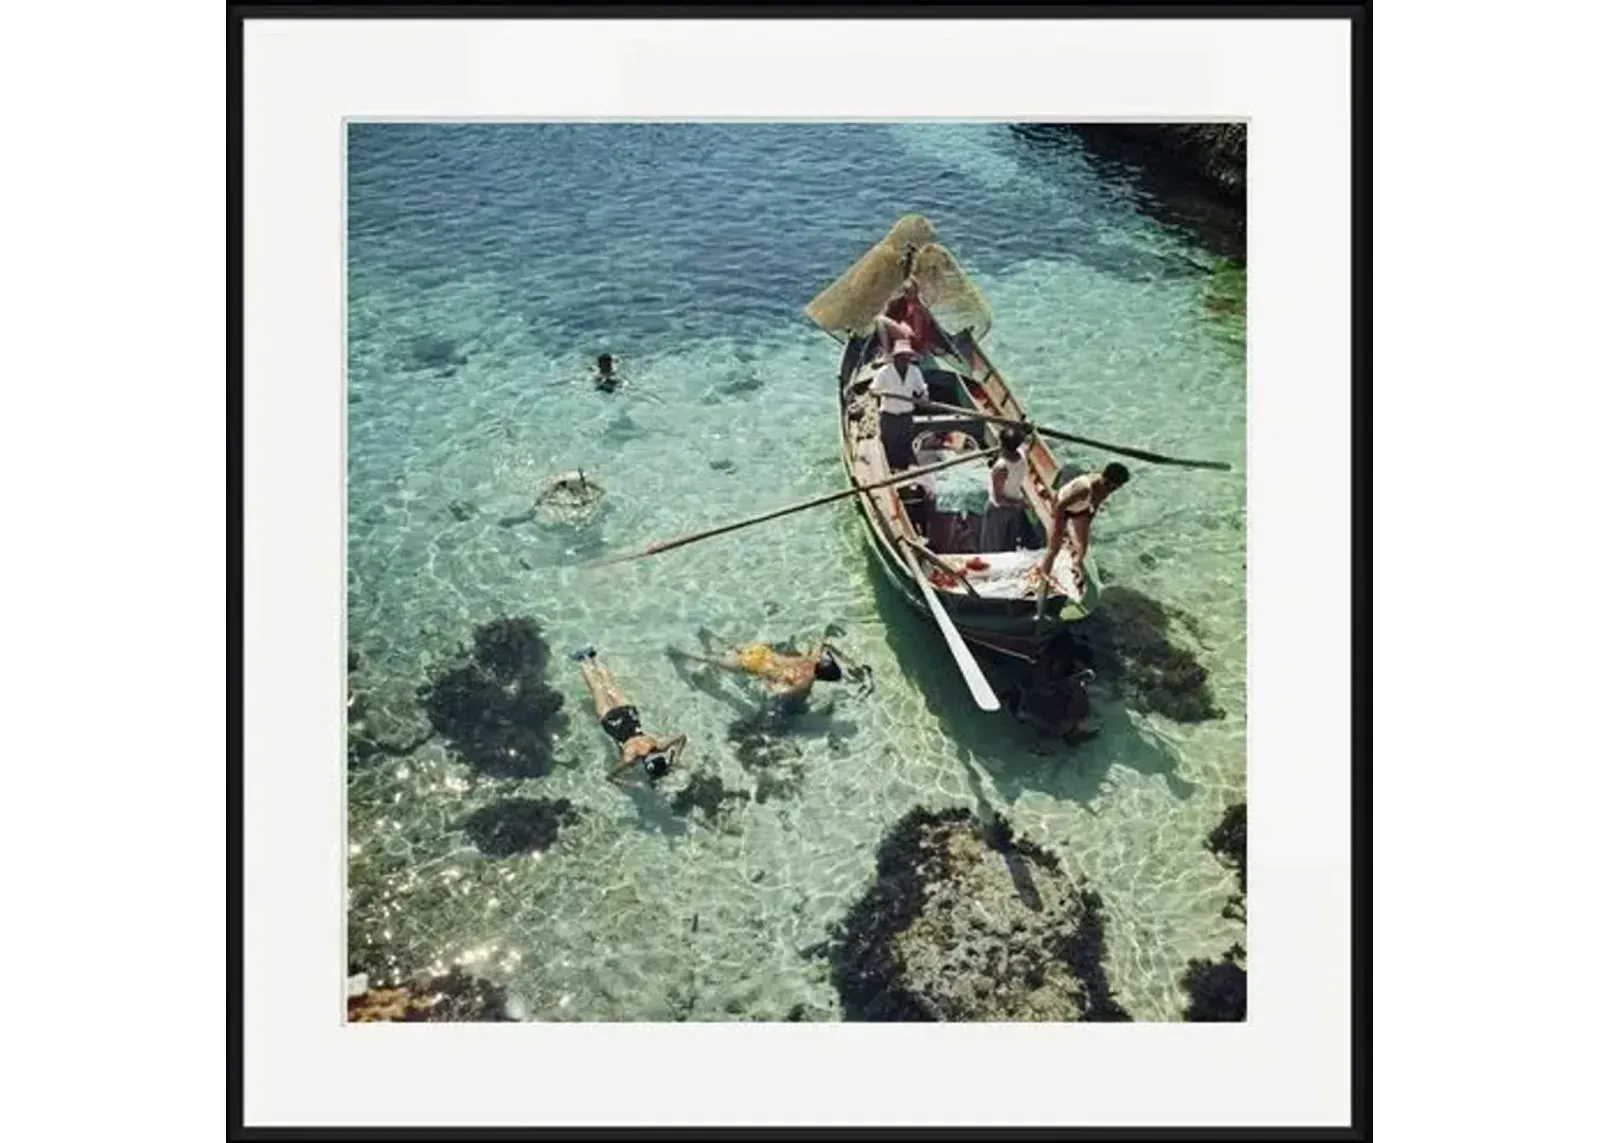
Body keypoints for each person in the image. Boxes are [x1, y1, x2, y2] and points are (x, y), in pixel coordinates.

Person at [568, 647, 687, 784]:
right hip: (611, 721)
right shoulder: (631, 759)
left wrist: (675, 758)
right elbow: (611, 776)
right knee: (597, 689)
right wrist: (631, 783)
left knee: (609, 686)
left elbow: (681, 737)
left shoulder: (659, 745)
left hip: (629, 715)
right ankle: (582, 660)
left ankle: (594, 657)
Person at [670, 634, 848, 712]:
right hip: (752, 666)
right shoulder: (805, 682)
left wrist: (839, 653)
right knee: (711, 659)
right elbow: (780, 691)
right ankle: (678, 653)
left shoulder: (812, 659)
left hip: (760, 651)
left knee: (729, 645)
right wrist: (768, 682)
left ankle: (705, 635)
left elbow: (820, 640)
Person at [1031, 463, 1131, 596]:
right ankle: (1044, 575)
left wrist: (1087, 524)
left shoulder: (1105, 489)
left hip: (1080, 509)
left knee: (1083, 545)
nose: (1111, 489)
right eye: (1109, 485)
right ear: (1104, 478)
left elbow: (1095, 506)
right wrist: (1059, 527)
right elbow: (1060, 505)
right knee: (1054, 547)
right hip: (1063, 508)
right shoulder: (1084, 488)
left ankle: (1077, 563)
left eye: (1115, 487)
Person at [868, 339, 930, 470]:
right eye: (902, 357)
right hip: (888, 417)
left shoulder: (914, 371)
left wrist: (924, 397)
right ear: (895, 358)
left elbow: (921, 389)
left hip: (906, 417)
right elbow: (872, 389)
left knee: (905, 447)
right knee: (888, 449)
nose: (905, 360)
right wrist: (878, 392)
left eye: (907, 357)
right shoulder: (884, 371)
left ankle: (905, 471)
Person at [980, 427, 1029, 552]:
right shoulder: (1022, 454)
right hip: (1015, 509)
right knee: (1009, 546)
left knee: (991, 548)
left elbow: (999, 499)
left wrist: (1020, 503)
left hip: (998, 511)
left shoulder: (1001, 467)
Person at [873, 276, 938, 360]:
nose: (907, 295)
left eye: (910, 292)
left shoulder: (917, 307)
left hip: (911, 340)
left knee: (879, 319)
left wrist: (905, 328)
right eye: (906, 292)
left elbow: (918, 334)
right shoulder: (912, 302)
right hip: (909, 336)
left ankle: (887, 354)